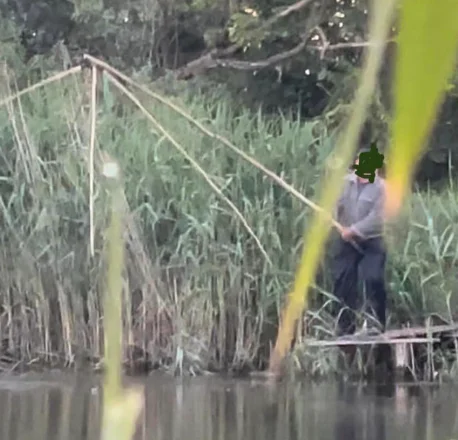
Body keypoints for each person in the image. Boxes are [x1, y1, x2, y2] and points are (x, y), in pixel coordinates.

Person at [332, 148, 387, 336]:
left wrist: (354, 230)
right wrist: (331, 217)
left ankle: (375, 324)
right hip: (347, 241)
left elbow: (378, 217)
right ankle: (344, 326)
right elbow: (335, 204)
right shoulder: (345, 183)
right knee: (342, 279)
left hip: (372, 240)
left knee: (371, 277)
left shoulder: (382, 188)